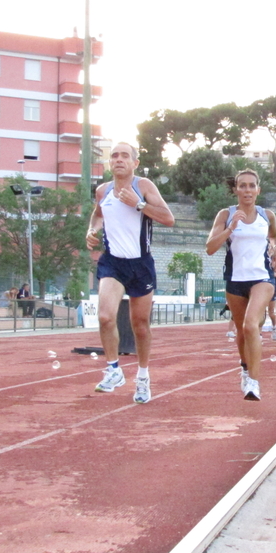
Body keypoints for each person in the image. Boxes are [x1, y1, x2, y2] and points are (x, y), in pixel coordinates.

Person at [86, 142, 175, 404]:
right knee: (105, 317)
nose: (119, 159)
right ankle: (113, 370)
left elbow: (169, 219)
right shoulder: (102, 191)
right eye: (114, 156)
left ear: (135, 163)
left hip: (141, 264)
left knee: (140, 326)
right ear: (109, 163)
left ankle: (143, 376)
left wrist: (139, 205)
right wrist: (91, 231)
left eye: (125, 156)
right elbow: (97, 215)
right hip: (112, 263)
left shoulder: (143, 186)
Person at [206, 169, 276, 401]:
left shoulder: (267, 215)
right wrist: (230, 229)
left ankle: (254, 382)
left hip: (262, 277)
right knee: (241, 330)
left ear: (258, 190)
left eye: (252, 186)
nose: (247, 190)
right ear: (235, 189)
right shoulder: (226, 214)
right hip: (235, 280)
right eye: (242, 186)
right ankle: (244, 367)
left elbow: (275, 236)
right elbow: (209, 247)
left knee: (251, 325)